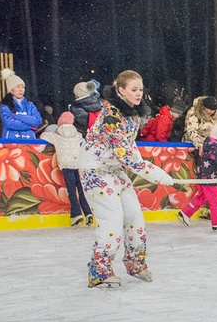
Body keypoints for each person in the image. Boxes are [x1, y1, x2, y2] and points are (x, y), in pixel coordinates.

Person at [78, 70, 187, 287]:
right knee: (112, 220)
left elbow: (131, 149)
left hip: (114, 169)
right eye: (133, 90)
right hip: (95, 170)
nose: (139, 94)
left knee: (134, 216)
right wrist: (159, 175)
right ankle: (99, 270)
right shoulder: (111, 117)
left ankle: (135, 263)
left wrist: (157, 174)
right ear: (120, 91)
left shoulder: (132, 115)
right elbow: (127, 158)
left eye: (140, 89)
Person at [40, 111, 93, 226]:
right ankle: (88, 212)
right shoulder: (77, 134)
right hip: (77, 163)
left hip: (66, 164)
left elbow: (43, 136)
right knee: (80, 189)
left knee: (71, 190)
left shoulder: (57, 135)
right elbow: (83, 141)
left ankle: (76, 214)